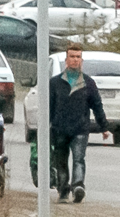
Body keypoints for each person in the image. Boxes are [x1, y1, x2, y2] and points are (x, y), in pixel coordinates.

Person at [45, 46, 105, 201]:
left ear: (81, 60)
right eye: (72, 56)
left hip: (80, 129)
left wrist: (104, 126)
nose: (75, 59)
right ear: (66, 60)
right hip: (60, 129)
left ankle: (78, 187)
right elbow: (49, 107)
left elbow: (97, 105)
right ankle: (63, 190)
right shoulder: (55, 83)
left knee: (79, 159)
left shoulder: (88, 83)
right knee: (61, 161)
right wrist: (46, 127)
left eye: (78, 57)